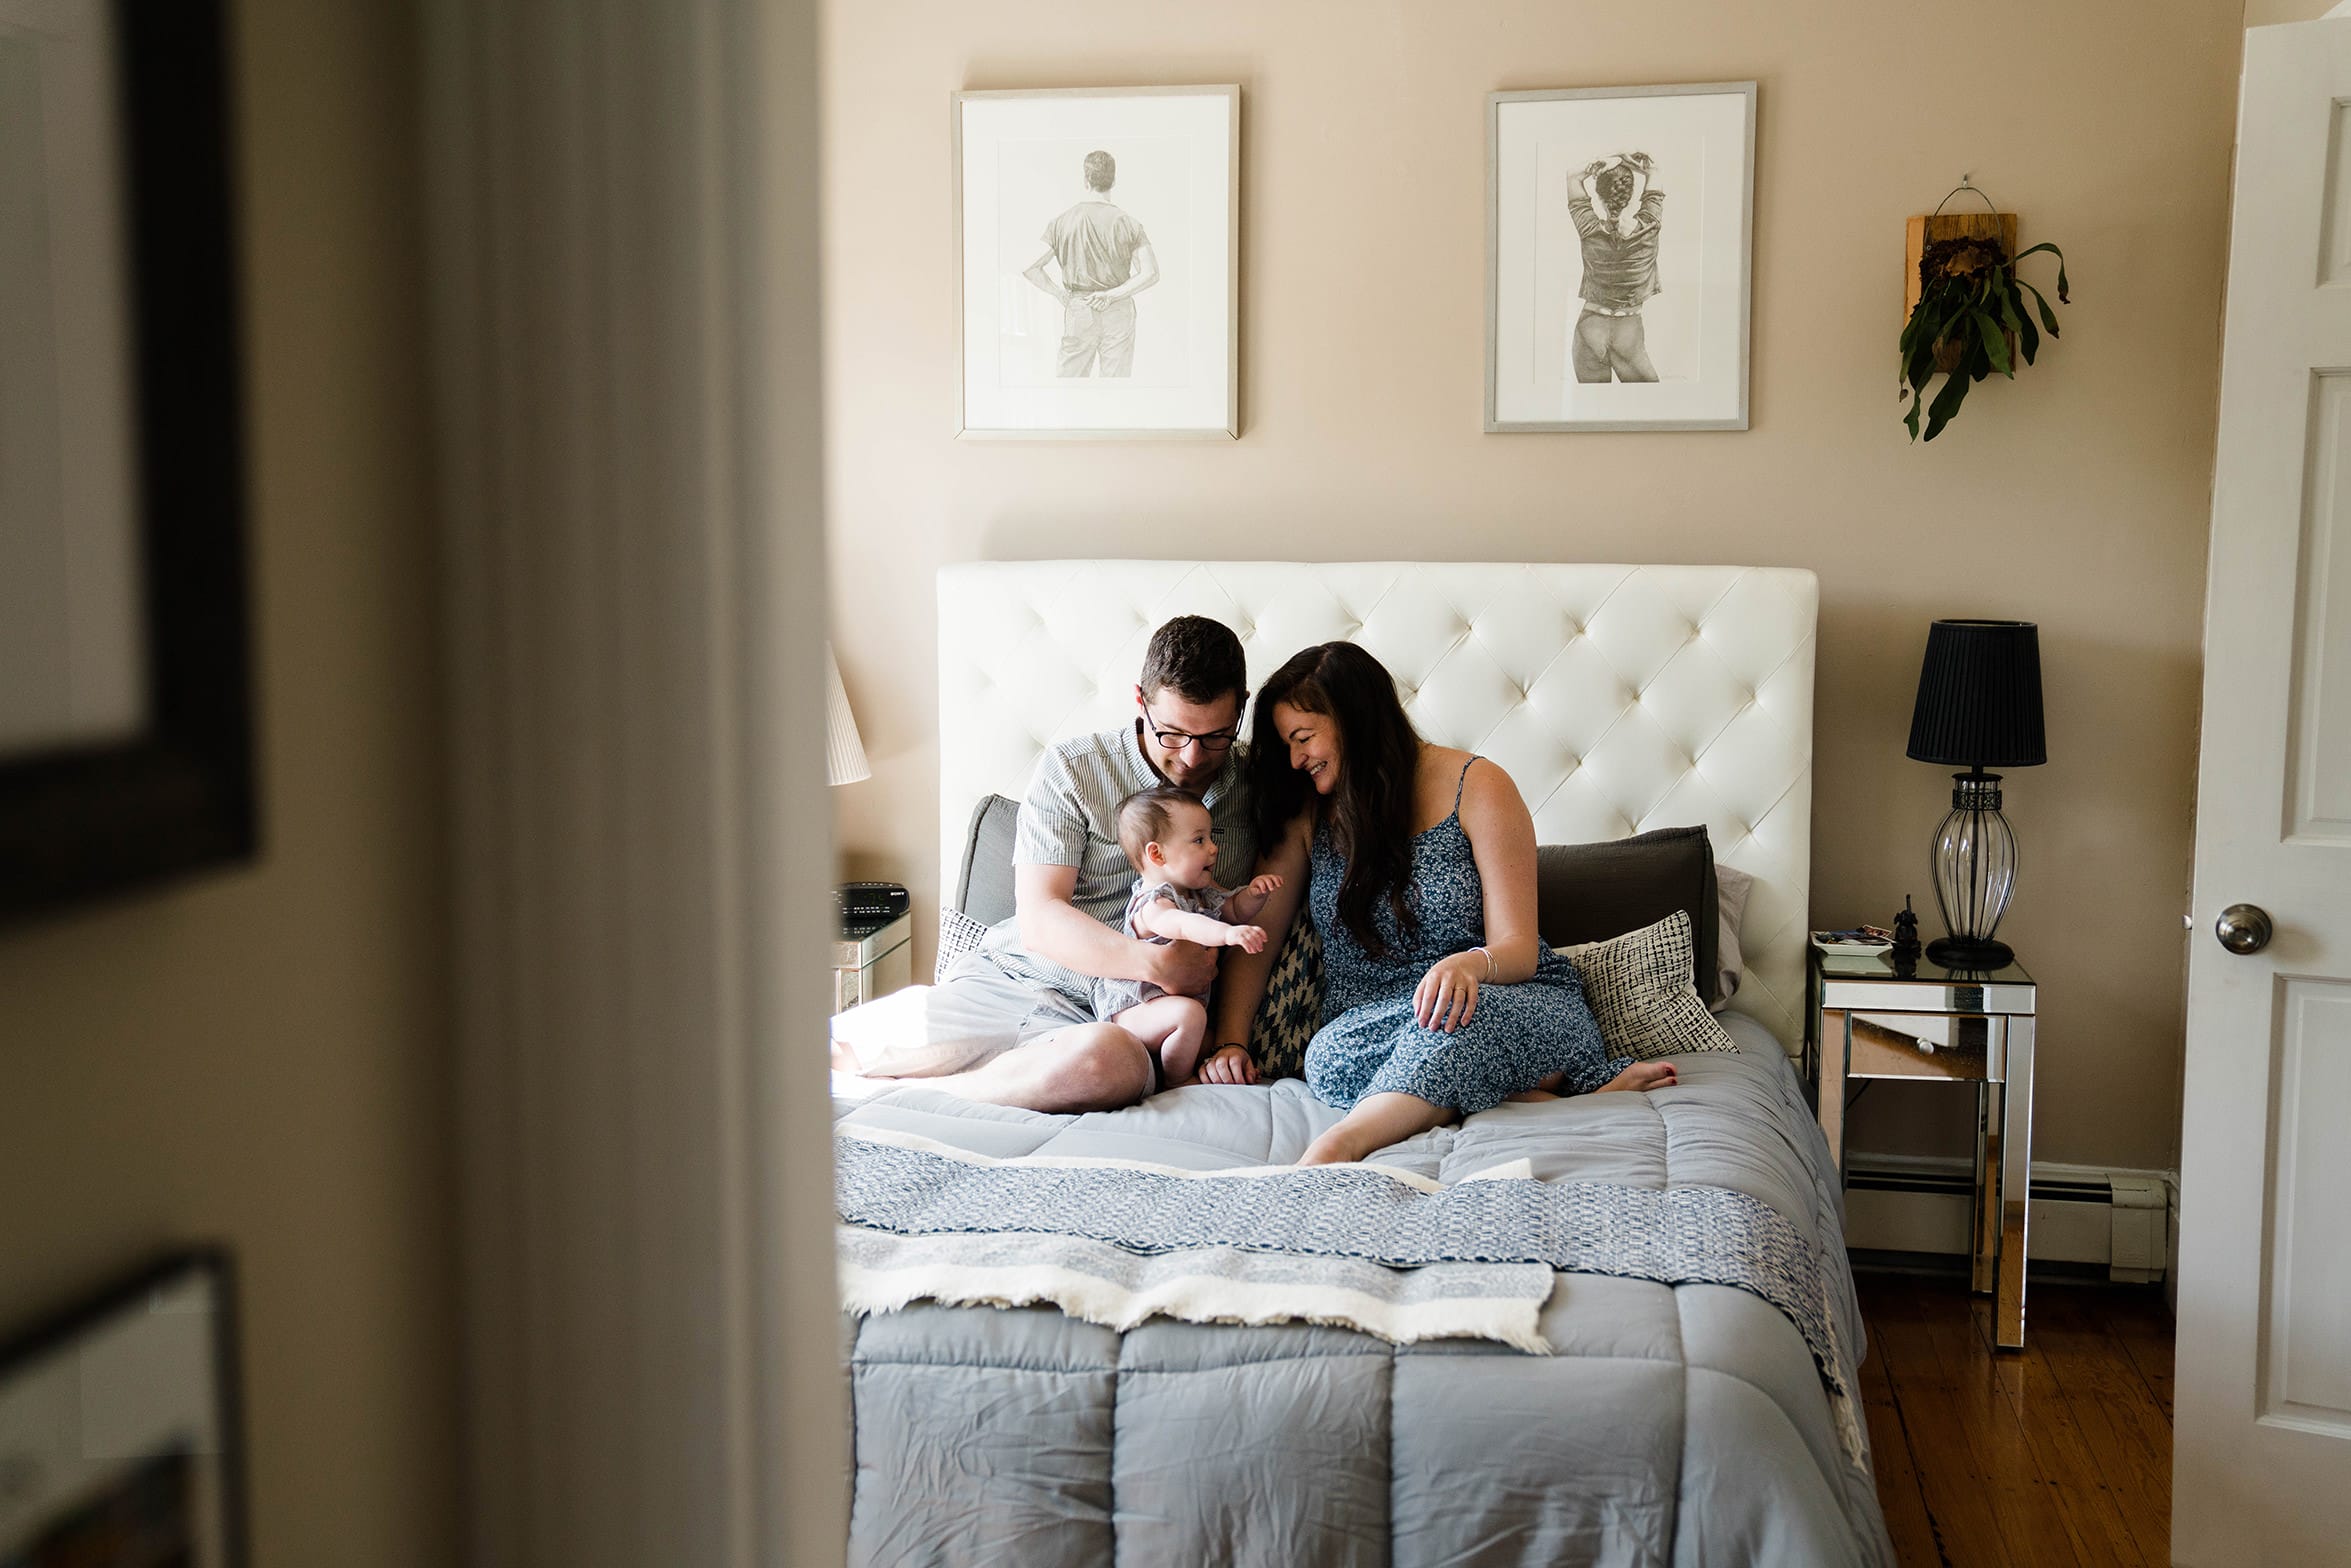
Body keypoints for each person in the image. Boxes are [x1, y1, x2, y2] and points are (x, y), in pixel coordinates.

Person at [1206, 641, 1676, 1166]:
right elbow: (1259, 936)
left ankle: (1342, 1143)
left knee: (1456, 1023)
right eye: (1287, 745)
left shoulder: (1479, 785)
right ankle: (1535, 1097)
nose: (1296, 759)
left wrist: (1469, 965)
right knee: (1326, 1057)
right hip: (1375, 1025)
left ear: (1353, 720)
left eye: (1304, 738)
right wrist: (1232, 1043)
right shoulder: (1309, 813)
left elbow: (1517, 948)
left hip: (1500, 1002)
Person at [829, 616, 1256, 1111]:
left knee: (1105, 1061)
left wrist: (1229, 1038)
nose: (1190, 756)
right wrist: (1157, 964)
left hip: (1108, 1022)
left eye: (1216, 737)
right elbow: (1040, 917)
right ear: (1140, 701)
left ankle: (922, 1097)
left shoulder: (1253, 787)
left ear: (1241, 709)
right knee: (828, 1050)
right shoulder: (1074, 767)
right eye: (1172, 733)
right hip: (1010, 980)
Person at [1089, 785, 1284, 1085]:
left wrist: (1254, 895)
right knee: (1190, 1016)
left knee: (1209, 1041)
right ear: (1157, 854)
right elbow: (1183, 925)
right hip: (1133, 1012)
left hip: (1163, 1014)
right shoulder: (1153, 903)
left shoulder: (1199, 891)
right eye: (1198, 840)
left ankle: (1183, 1068)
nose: (1213, 848)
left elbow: (1232, 907)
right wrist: (1229, 934)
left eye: (1210, 837)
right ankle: (1175, 1081)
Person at [1022, 149, 1160, 378]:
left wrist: (1058, 293)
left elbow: (1030, 268)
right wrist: (1112, 295)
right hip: (1118, 312)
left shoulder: (1062, 222)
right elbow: (1151, 273)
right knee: (1116, 389)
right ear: (1113, 181)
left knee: (1071, 385)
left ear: (1085, 181)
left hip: (1080, 309)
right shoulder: (1129, 223)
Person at [1567, 152, 1664, 384]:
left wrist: (1598, 164)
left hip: (1588, 328)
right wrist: (1633, 162)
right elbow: (1655, 172)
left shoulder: (1588, 227)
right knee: (1649, 410)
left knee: (1592, 413)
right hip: (1627, 332)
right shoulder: (1649, 226)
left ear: (1599, 196)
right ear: (1631, 195)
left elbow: (1572, 176)